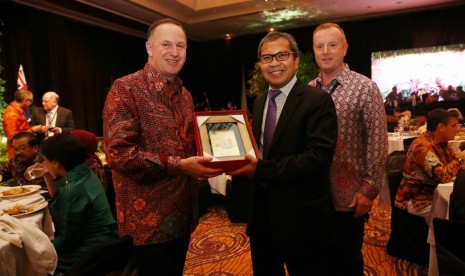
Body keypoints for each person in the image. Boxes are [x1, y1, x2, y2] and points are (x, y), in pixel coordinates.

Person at [102, 18, 222, 275]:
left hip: (183, 215)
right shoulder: (126, 89)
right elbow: (119, 155)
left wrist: (210, 158)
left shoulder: (185, 95)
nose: (175, 52)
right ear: (149, 47)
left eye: (181, 45)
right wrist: (181, 165)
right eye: (166, 44)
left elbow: (187, 147)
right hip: (148, 224)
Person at [229, 31, 338, 275]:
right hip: (262, 218)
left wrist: (261, 169)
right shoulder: (259, 102)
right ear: (260, 65)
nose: (274, 63)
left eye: (281, 55)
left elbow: (318, 157)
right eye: (267, 58)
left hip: (302, 219)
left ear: (296, 60)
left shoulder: (317, 100)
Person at [309, 22, 388, 275]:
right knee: (318, 258)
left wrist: (368, 190)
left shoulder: (365, 88)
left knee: (347, 259)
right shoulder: (307, 91)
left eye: (332, 45)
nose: (325, 51)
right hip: (313, 194)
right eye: (320, 46)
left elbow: (378, 143)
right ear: (313, 50)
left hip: (350, 196)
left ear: (345, 48)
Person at [41, 133, 118, 273]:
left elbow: (67, 239)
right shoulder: (84, 172)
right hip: (107, 240)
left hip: (94, 250)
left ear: (56, 162)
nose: (44, 165)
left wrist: (39, 250)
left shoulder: (72, 189)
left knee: (38, 264)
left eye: (45, 160)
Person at [395, 109, 465, 217]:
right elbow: (443, 176)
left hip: (435, 193)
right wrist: (459, 159)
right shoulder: (422, 146)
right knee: (456, 211)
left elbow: (456, 167)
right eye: (454, 126)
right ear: (441, 127)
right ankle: (440, 234)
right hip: (417, 200)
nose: (458, 129)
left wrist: (459, 161)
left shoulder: (443, 143)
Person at [2, 89, 42, 159]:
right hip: (18, 153)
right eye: (31, 101)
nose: (31, 104)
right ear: (26, 101)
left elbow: (21, 128)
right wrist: (32, 130)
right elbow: (13, 136)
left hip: (23, 151)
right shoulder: (12, 114)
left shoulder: (18, 110)